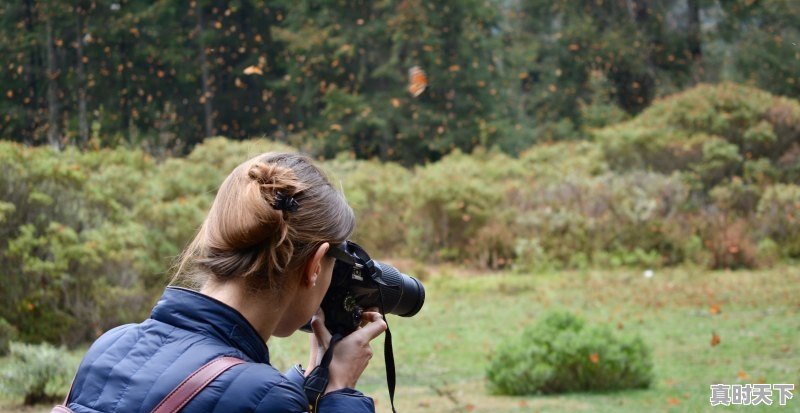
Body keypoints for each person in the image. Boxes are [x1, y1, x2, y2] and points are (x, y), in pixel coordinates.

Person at [64, 152, 387, 412]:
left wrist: (313, 378)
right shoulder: (266, 396)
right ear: (315, 265)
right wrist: (340, 390)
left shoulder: (111, 347)